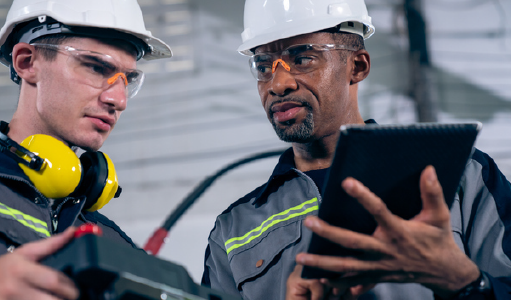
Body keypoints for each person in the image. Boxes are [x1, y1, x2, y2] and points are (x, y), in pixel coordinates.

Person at [202, 0, 511, 299]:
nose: (278, 83)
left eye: (303, 58)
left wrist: (465, 283)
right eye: (263, 65)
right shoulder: (232, 232)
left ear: (357, 66)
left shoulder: (458, 174)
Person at [0, 0, 172, 299]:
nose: (119, 99)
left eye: (129, 79)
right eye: (96, 67)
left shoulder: (117, 246)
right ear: (26, 62)